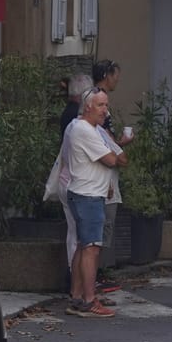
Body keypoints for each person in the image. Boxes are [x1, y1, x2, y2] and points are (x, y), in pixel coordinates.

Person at [64, 89, 125, 318]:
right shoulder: (85, 130)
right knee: (91, 248)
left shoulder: (79, 127)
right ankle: (89, 301)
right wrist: (114, 147)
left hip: (85, 193)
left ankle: (77, 297)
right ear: (88, 106)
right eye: (100, 105)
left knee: (83, 245)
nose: (105, 111)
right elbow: (112, 160)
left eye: (106, 105)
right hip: (87, 195)